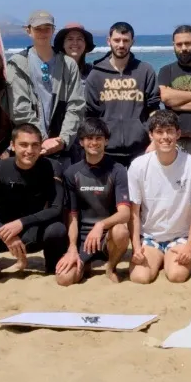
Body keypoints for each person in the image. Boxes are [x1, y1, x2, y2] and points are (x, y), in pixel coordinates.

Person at [0, 125, 70, 279]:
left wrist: (21, 223)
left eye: (35, 145)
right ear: (13, 146)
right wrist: (3, 232)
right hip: (3, 230)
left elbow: (56, 208)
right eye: (23, 145)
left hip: (33, 230)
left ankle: (51, 266)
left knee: (58, 230)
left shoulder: (52, 167)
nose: (29, 150)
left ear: (41, 147)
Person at [127, 110, 191, 283]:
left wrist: (190, 246)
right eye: (159, 132)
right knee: (140, 277)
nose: (165, 137)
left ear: (178, 134)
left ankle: (167, 259)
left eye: (170, 131)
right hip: (150, 236)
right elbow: (134, 212)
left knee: (177, 276)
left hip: (180, 236)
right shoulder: (138, 166)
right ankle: (157, 258)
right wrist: (136, 246)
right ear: (151, 135)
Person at [57, 118, 133, 285]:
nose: (94, 142)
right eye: (89, 138)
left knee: (121, 231)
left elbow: (125, 213)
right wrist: (71, 248)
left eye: (99, 138)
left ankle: (111, 267)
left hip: (108, 237)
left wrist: (100, 226)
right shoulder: (72, 173)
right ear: (82, 142)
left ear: (106, 141)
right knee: (64, 279)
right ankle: (86, 262)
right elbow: (73, 216)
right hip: (84, 238)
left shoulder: (118, 170)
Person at [6, 11, 86, 167]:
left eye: (47, 28)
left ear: (53, 30)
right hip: (29, 147)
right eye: (38, 28)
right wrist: (41, 139)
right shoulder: (17, 64)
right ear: (28, 30)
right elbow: (20, 108)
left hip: (62, 148)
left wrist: (62, 140)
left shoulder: (68, 65)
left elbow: (76, 106)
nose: (43, 33)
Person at [83, 21, 160, 167]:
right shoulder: (96, 74)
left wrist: (154, 141)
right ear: (109, 41)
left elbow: (154, 109)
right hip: (105, 151)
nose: (121, 45)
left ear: (132, 42)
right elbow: (90, 115)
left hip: (141, 149)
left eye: (125, 41)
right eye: (116, 40)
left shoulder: (145, 70)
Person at [158, 25, 191, 156]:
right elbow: (165, 97)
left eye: (188, 43)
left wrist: (175, 102)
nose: (184, 48)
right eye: (179, 44)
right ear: (174, 45)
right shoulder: (166, 71)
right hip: (172, 140)